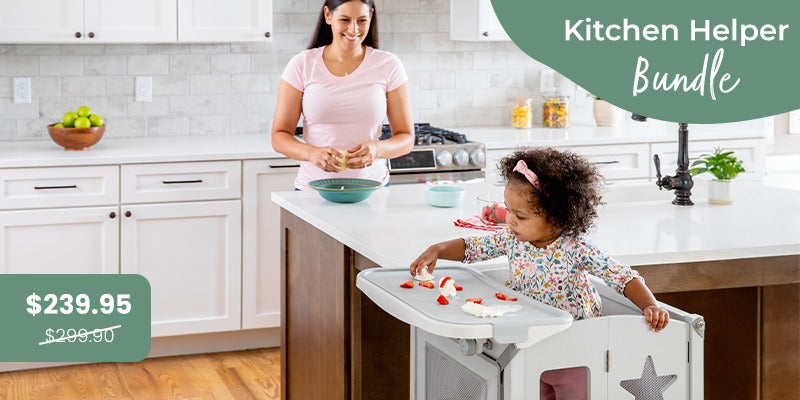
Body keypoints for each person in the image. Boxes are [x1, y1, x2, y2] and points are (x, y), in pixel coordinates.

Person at [409, 148, 670, 400]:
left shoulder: (576, 248)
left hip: (574, 351)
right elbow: (471, 248)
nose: (509, 220)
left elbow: (622, 277)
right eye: (507, 210)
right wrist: (438, 250)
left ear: (556, 217)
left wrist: (650, 305)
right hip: (530, 344)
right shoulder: (512, 240)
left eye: (520, 216)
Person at [271, 0, 414, 190]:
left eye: (362, 20)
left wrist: (376, 149)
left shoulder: (389, 65)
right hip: (313, 191)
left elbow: (406, 138)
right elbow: (279, 136)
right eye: (345, 19)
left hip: (372, 190)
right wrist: (312, 153)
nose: (353, 29)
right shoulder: (302, 64)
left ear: (371, 16)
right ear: (328, 16)